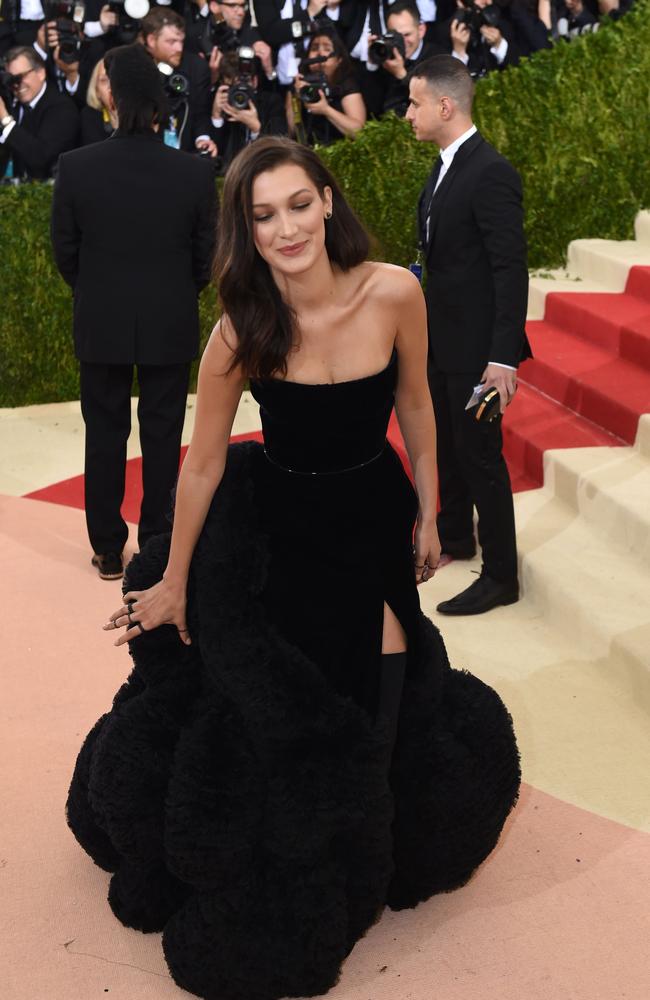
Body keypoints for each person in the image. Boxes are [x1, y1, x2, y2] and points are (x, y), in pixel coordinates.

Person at [65, 136, 520, 1000]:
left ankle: (363, 842)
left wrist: (428, 508)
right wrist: (171, 580)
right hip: (280, 526)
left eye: (297, 205)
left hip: (373, 517)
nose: (285, 228)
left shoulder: (395, 291)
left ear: (326, 198)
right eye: (262, 215)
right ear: (245, 228)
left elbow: (417, 402)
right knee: (288, 699)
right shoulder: (241, 328)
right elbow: (198, 466)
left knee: (382, 683)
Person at [50, 43, 218, 580]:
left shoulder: (76, 167)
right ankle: (158, 542)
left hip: (101, 320)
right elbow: (205, 257)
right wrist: (173, 292)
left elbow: (65, 253)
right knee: (165, 434)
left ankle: (106, 547)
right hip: (169, 320)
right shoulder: (193, 173)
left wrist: (98, 290)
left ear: (111, 96)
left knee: (104, 432)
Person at [406, 54, 530, 615]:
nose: (408, 114)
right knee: (448, 448)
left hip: (479, 352)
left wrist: (503, 358)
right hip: (441, 343)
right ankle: (456, 537)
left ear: (445, 105)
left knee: (480, 454)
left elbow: (510, 269)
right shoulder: (443, 166)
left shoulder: (490, 171)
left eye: (414, 103)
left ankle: (502, 575)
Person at [140, 8, 216, 155]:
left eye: (181, 41)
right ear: (151, 40)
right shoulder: (133, 65)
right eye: (171, 42)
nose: (179, 48)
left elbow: (201, 113)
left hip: (184, 153)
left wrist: (202, 139)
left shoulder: (197, 68)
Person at [0, 44, 79, 179]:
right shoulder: (12, 103)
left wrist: (5, 120)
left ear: (41, 73)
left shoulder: (62, 108)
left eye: (20, 77)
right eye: (11, 79)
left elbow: (41, 158)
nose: (16, 85)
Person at [288, 24, 366, 145]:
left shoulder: (346, 84)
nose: (320, 54)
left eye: (327, 49)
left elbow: (359, 132)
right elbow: (291, 129)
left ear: (339, 60)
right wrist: (296, 97)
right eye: (314, 49)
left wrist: (326, 110)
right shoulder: (300, 82)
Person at [209, 49, 287, 169]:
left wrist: (256, 128)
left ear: (255, 82)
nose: (240, 92)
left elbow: (280, 148)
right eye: (233, 87)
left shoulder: (271, 102)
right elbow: (216, 156)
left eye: (244, 84)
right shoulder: (223, 103)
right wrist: (216, 117)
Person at [79, 57, 116, 144]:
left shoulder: (142, 118)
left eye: (116, 78)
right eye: (104, 80)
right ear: (97, 91)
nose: (111, 87)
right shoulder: (89, 118)